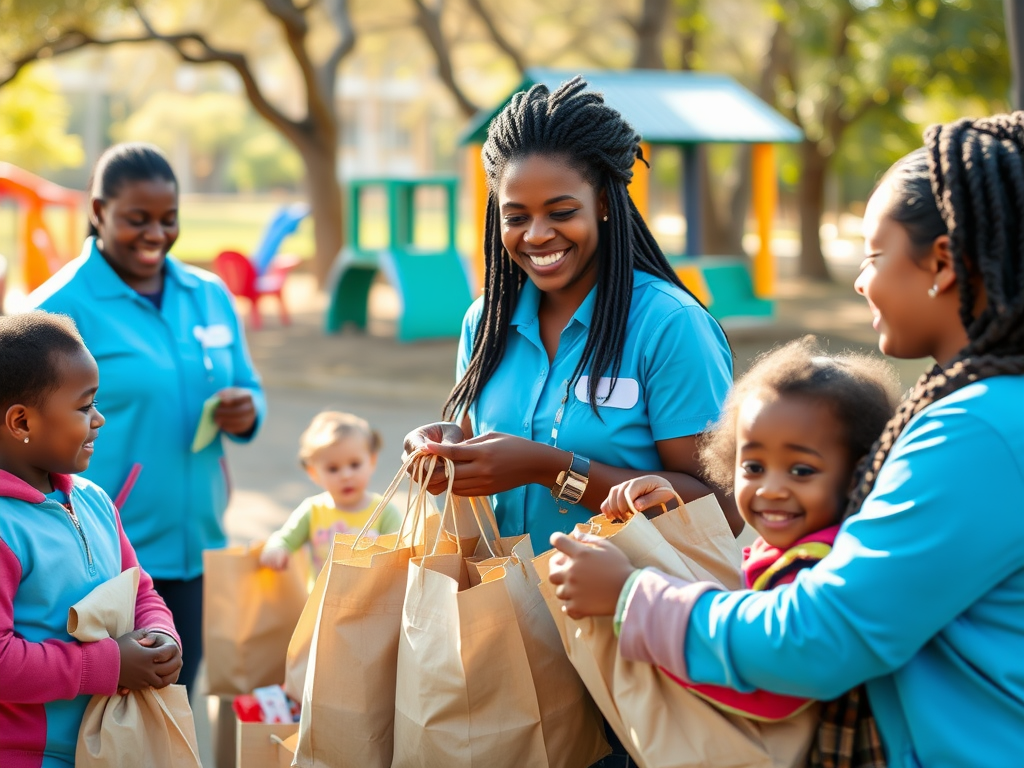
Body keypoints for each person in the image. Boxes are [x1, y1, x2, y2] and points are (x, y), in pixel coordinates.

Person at [548, 113, 1024, 767]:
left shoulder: (976, 430)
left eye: (874, 256)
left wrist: (632, 595)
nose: (861, 281)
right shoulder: (992, 409)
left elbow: (818, 638)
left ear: (941, 262)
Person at [404, 76, 737, 551]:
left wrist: (552, 469)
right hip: (503, 611)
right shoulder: (485, 323)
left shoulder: (669, 326)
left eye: (561, 212)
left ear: (602, 202)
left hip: (625, 611)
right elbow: (484, 438)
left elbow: (722, 508)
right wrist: (446, 445)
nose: (536, 235)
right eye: (516, 217)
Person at [28, 143, 266, 694]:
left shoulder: (207, 293)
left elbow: (250, 386)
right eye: (138, 219)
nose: (156, 233)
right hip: (102, 559)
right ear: (98, 211)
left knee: (176, 704)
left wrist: (248, 409)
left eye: (169, 218)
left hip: (198, 546)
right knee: (111, 726)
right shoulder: (57, 308)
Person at [601, 336, 900, 724]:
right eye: (754, 467)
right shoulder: (800, 546)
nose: (770, 489)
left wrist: (632, 604)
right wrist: (672, 513)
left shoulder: (817, 566)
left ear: (858, 472)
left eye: (801, 471)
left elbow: (773, 686)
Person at [0, 312, 182, 767]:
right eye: (84, 408)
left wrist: (160, 634)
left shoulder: (95, 500)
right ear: (21, 422)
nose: (99, 420)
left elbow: (139, 589)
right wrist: (108, 665)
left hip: (111, 746)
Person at [260, 411, 402, 573]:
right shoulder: (312, 510)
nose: (346, 476)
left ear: (372, 461)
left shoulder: (384, 511)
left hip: (373, 597)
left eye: (355, 465)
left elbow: (401, 549)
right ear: (313, 473)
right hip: (321, 598)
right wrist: (276, 549)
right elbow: (284, 538)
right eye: (333, 469)